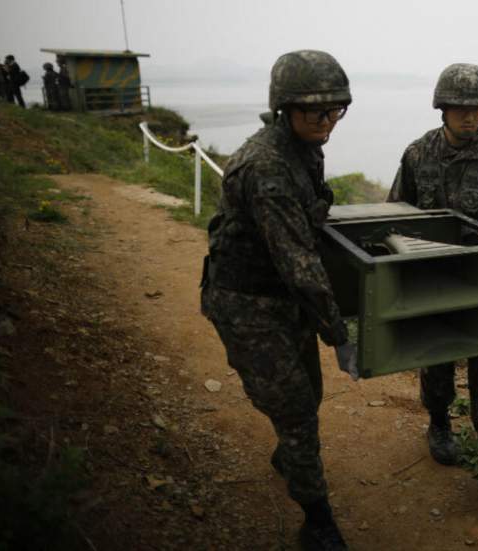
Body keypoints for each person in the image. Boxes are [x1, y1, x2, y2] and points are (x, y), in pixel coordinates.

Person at [201, 49, 356, 551]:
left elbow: (312, 215)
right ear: (285, 108)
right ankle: (317, 519)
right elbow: (300, 266)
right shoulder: (265, 167)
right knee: (295, 409)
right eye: (317, 111)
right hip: (246, 302)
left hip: (283, 298)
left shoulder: (303, 144)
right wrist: (339, 334)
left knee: (306, 394)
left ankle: (288, 454)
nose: (329, 121)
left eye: (337, 109)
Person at [387, 63, 478, 493]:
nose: (471, 116)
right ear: (443, 108)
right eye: (462, 107)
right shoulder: (417, 154)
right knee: (436, 357)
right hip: (427, 276)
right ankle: (438, 425)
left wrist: (469, 272)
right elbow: (396, 211)